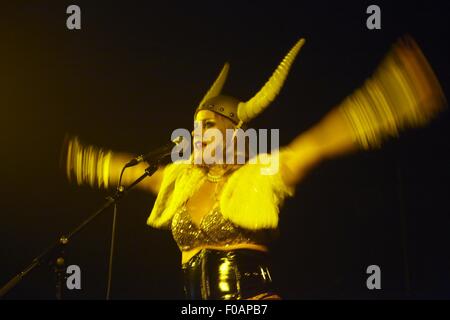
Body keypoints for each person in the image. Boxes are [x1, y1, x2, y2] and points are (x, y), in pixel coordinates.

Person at [63, 36, 446, 300]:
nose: (196, 136)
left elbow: (318, 142)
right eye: (194, 128)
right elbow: (132, 171)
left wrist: (392, 96)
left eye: (207, 127)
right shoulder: (180, 180)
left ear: (234, 134)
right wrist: (86, 161)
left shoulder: (260, 174)